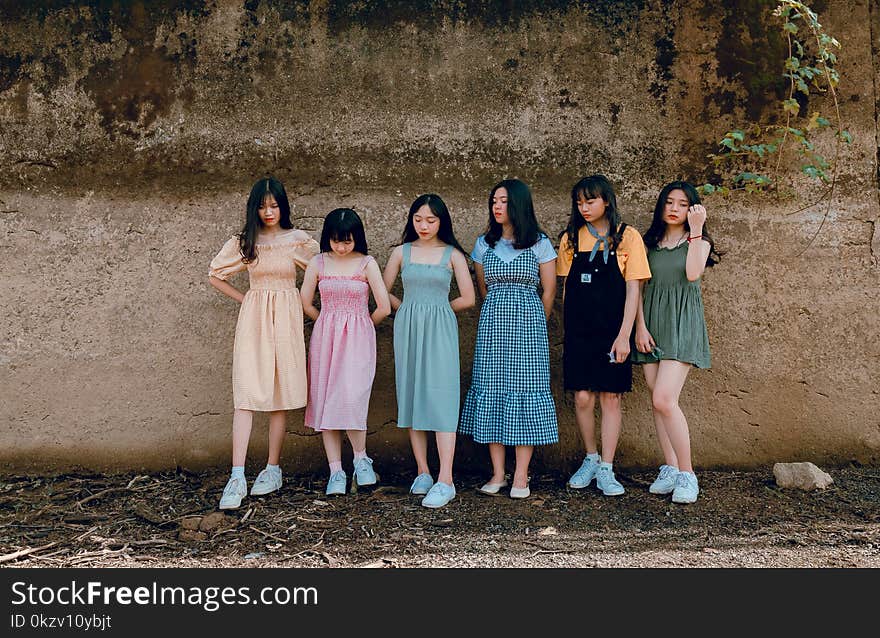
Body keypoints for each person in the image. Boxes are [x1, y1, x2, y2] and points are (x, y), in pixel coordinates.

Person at [208, 176, 319, 510]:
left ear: (283, 205)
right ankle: (237, 475)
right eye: (262, 205)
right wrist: (246, 299)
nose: (268, 211)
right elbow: (215, 274)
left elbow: (324, 266)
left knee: (279, 393)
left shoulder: (297, 240)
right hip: (254, 319)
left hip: (286, 316)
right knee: (245, 393)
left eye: (274, 205)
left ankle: (273, 468)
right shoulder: (245, 241)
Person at [459, 178, 558, 499]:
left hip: (529, 331)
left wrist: (532, 324)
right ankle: (499, 473)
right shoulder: (482, 244)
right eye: (494, 202)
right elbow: (483, 288)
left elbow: (549, 291)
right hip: (493, 330)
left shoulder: (540, 243)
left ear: (518, 204)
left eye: (503, 201)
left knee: (525, 392)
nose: (497, 207)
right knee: (493, 391)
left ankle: (521, 475)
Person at [557, 175, 651, 496]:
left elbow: (633, 289)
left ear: (606, 201)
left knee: (611, 397)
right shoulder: (570, 238)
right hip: (580, 331)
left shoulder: (628, 237)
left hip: (614, 331)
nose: (584, 208)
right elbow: (567, 288)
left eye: (591, 201)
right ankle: (591, 457)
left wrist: (626, 334)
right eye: (579, 202)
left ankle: (607, 468)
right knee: (583, 396)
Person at [382, 194, 475, 508]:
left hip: (441, 329)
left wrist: (439, 309)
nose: (424, 225)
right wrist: (405, 308)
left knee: (442, 397)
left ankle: (445, 479)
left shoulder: (453, 255)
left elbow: (468, 297)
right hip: (407, 328)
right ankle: (422, 471)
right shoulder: (400, 253)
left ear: (442, 222)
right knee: (411, 395)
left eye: (431, 220)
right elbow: (382, 291)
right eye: (418, 219)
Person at [633, 180, 719, 504]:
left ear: (692, 209)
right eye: (669, 202)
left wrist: (696, 229)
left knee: (665, 399)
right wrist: (639, 327)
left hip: (682, 325)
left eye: (682, 204)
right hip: (651, 325)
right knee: (657, 403)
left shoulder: (699, 241)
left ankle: (687, 474)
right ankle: (669, 467)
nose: (674, 209)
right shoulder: (649, 242)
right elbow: (637, 289)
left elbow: (694, 273)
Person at [300, 208, 391, 496]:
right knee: (327, 399)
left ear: (357, 239)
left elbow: (384, 306)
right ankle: (336, 471)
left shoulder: (367, 263)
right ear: (328, 238)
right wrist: (327, 322)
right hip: (325, 338)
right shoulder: (318, 262)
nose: (341, 247)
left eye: (347, 241)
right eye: (336, 241)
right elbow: (305, 302)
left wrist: (361, 324)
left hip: (358, 340)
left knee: (352, 397)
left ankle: (362, 459)